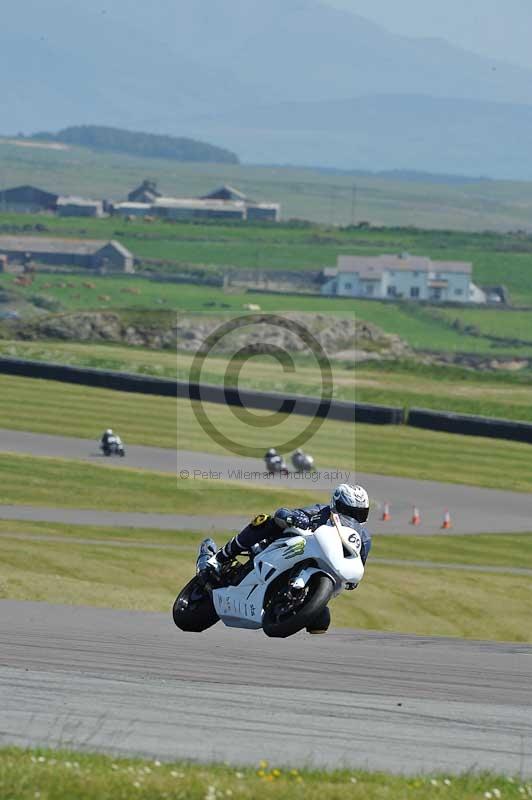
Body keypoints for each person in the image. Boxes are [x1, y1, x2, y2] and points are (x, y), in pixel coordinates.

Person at [197, 483, 371, 578]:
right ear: (336, 504)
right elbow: (286, 513)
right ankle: (219, 558)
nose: (352, 518)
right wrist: (294, 517)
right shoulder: (322, 511)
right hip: (288, 547)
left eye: (359, 514)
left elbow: (357, 565)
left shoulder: (363, 539)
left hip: (322, 566)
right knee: (265, 520)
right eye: (349, 512)